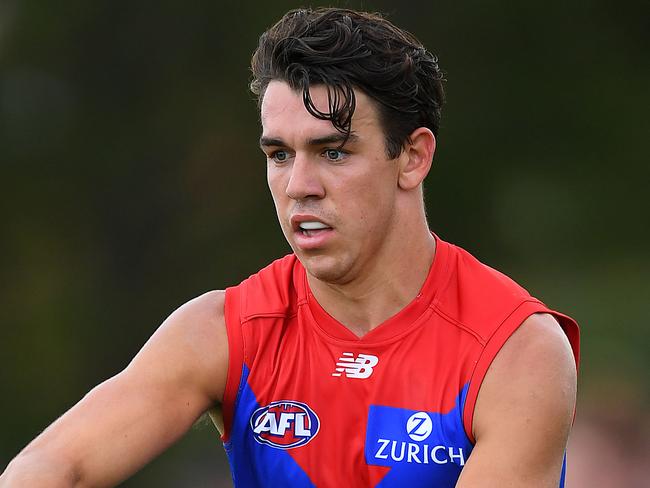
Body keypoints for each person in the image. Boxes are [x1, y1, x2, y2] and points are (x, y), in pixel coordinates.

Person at [0, 7, 579, 488]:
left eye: (333, 152)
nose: (298, 184)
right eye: (279, 154)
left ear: (413, 157)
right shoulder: (222, 329)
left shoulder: (516, 351)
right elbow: (52, 468)